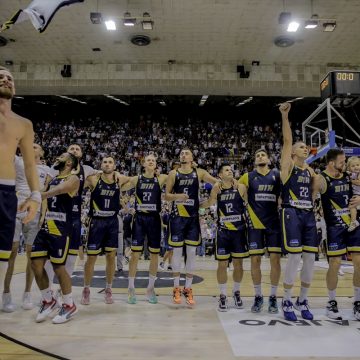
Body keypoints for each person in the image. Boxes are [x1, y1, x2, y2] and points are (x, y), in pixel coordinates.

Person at [0, 66, 40, 303]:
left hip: (6, 192)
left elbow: (28, 165)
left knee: (3, 255)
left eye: (10, 78)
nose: (6, 79)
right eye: (1, 77)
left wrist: (35, 195)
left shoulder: (24, 124)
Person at [279, 102, 318, 321]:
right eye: (301, 147)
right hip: (291, 212)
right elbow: (287, 140)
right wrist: (285, 117)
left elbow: (313, 194)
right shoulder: (289, 166)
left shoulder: (310, 170)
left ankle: (302, 300)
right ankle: (286, 299)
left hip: (308, 213)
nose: (305, 149)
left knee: (310, 258)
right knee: (294, 257)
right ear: (293, 152)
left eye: (306, 147)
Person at [31, 152, 80, 324]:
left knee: (59, 268)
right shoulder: (52, 179)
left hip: (61, 228)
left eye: (61, 156)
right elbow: (42, 194)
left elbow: (60, 190)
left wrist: (42, 195)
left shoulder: (74, 178)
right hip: (47, 225)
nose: (57, 157)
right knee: (35, 264)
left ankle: (69, 304)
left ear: (68, 162)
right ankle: (48, 300)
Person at [165, 148, 217, 305]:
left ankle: (188, 288)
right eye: (181, 153)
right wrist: (177, 196)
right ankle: (176, 288)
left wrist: (222, 185)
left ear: (192, 157)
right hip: (177, 217)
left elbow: (215, 181)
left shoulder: (199, 172)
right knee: (177, 252)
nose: (183, 155)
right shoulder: (173, 174)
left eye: (186, 153)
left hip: (193, 217)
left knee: (192, 252)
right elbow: (166, 195)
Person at [2, 144, 51, 312]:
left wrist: (44, 214)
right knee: (11, 254)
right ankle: (6, 294)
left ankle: (27, 293)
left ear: (42, 152)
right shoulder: (17, 161)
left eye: (36, 146)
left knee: (32, 257)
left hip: (35, 215)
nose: (31, 147)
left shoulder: (47, 169)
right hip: (15, 212)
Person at [317, 149, 360, 320]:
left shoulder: (349, 176)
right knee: (334, 263)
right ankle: (331, 301)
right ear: (331, 163)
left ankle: (357, 302)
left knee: (359, 261)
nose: (345, 164)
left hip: (353, 223)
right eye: (342, 162)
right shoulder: (322, 179)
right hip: (333, 227)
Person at [81, 156, 128, 305]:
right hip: (97, 222)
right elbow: (76, 183)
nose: (107, 164)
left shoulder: (118, 180)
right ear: (100, 165)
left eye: (110, 162)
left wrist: (120, 175)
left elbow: (134, 179)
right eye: (105, 162)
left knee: (111, 257)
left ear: (114, 166)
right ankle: (86, 289)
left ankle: (108, 289)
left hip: (112, 222)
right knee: (91, 259)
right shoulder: (93, 179)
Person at [239, 149, 282, 313]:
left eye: (263, 155)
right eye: (257, 155)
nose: (260, 157)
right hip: (255, 224)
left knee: (275, 261)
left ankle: (272, 297)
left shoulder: (277, 175)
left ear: (269, 160)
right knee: (255, 261)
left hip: (274, 223)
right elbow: (238, 192)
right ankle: (258, 296)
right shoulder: (247, 176)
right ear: (254, 161)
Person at [201, 164, 248, 311]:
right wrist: (198, 205)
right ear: (220, 175)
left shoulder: (240, 187)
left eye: (231, 169)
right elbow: (210, 203)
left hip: (239, 230)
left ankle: (236, 292)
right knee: (222, 265)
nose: (230, 171)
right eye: (227, 170)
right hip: (223, 231)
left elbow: (250, 202)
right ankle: (222, 295)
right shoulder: (217, 188)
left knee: (238, 265)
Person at [122, 154, 168, 304]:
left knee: (155, 255)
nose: (151, 162)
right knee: (135, 254)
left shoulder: (161, 178)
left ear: (156, 165)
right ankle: (130, 288)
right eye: (148, 160)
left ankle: (150, 288)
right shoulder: (136, 179)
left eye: (153, 160)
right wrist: (125, 206)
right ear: (143, 164)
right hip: (139, 219)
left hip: (154, 219)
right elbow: (119, 187)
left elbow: (176, 176)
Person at [347, 156, 360, 232]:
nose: (356, 167)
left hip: (358, 194)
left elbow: (359, 182)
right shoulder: (352, 174)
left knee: (352, 205)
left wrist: (351, 181)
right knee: (352, 207)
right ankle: (355, 221)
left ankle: (353, 222)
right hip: (356, 194)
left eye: (358, 165)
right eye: (353, 166)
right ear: (349, 168)